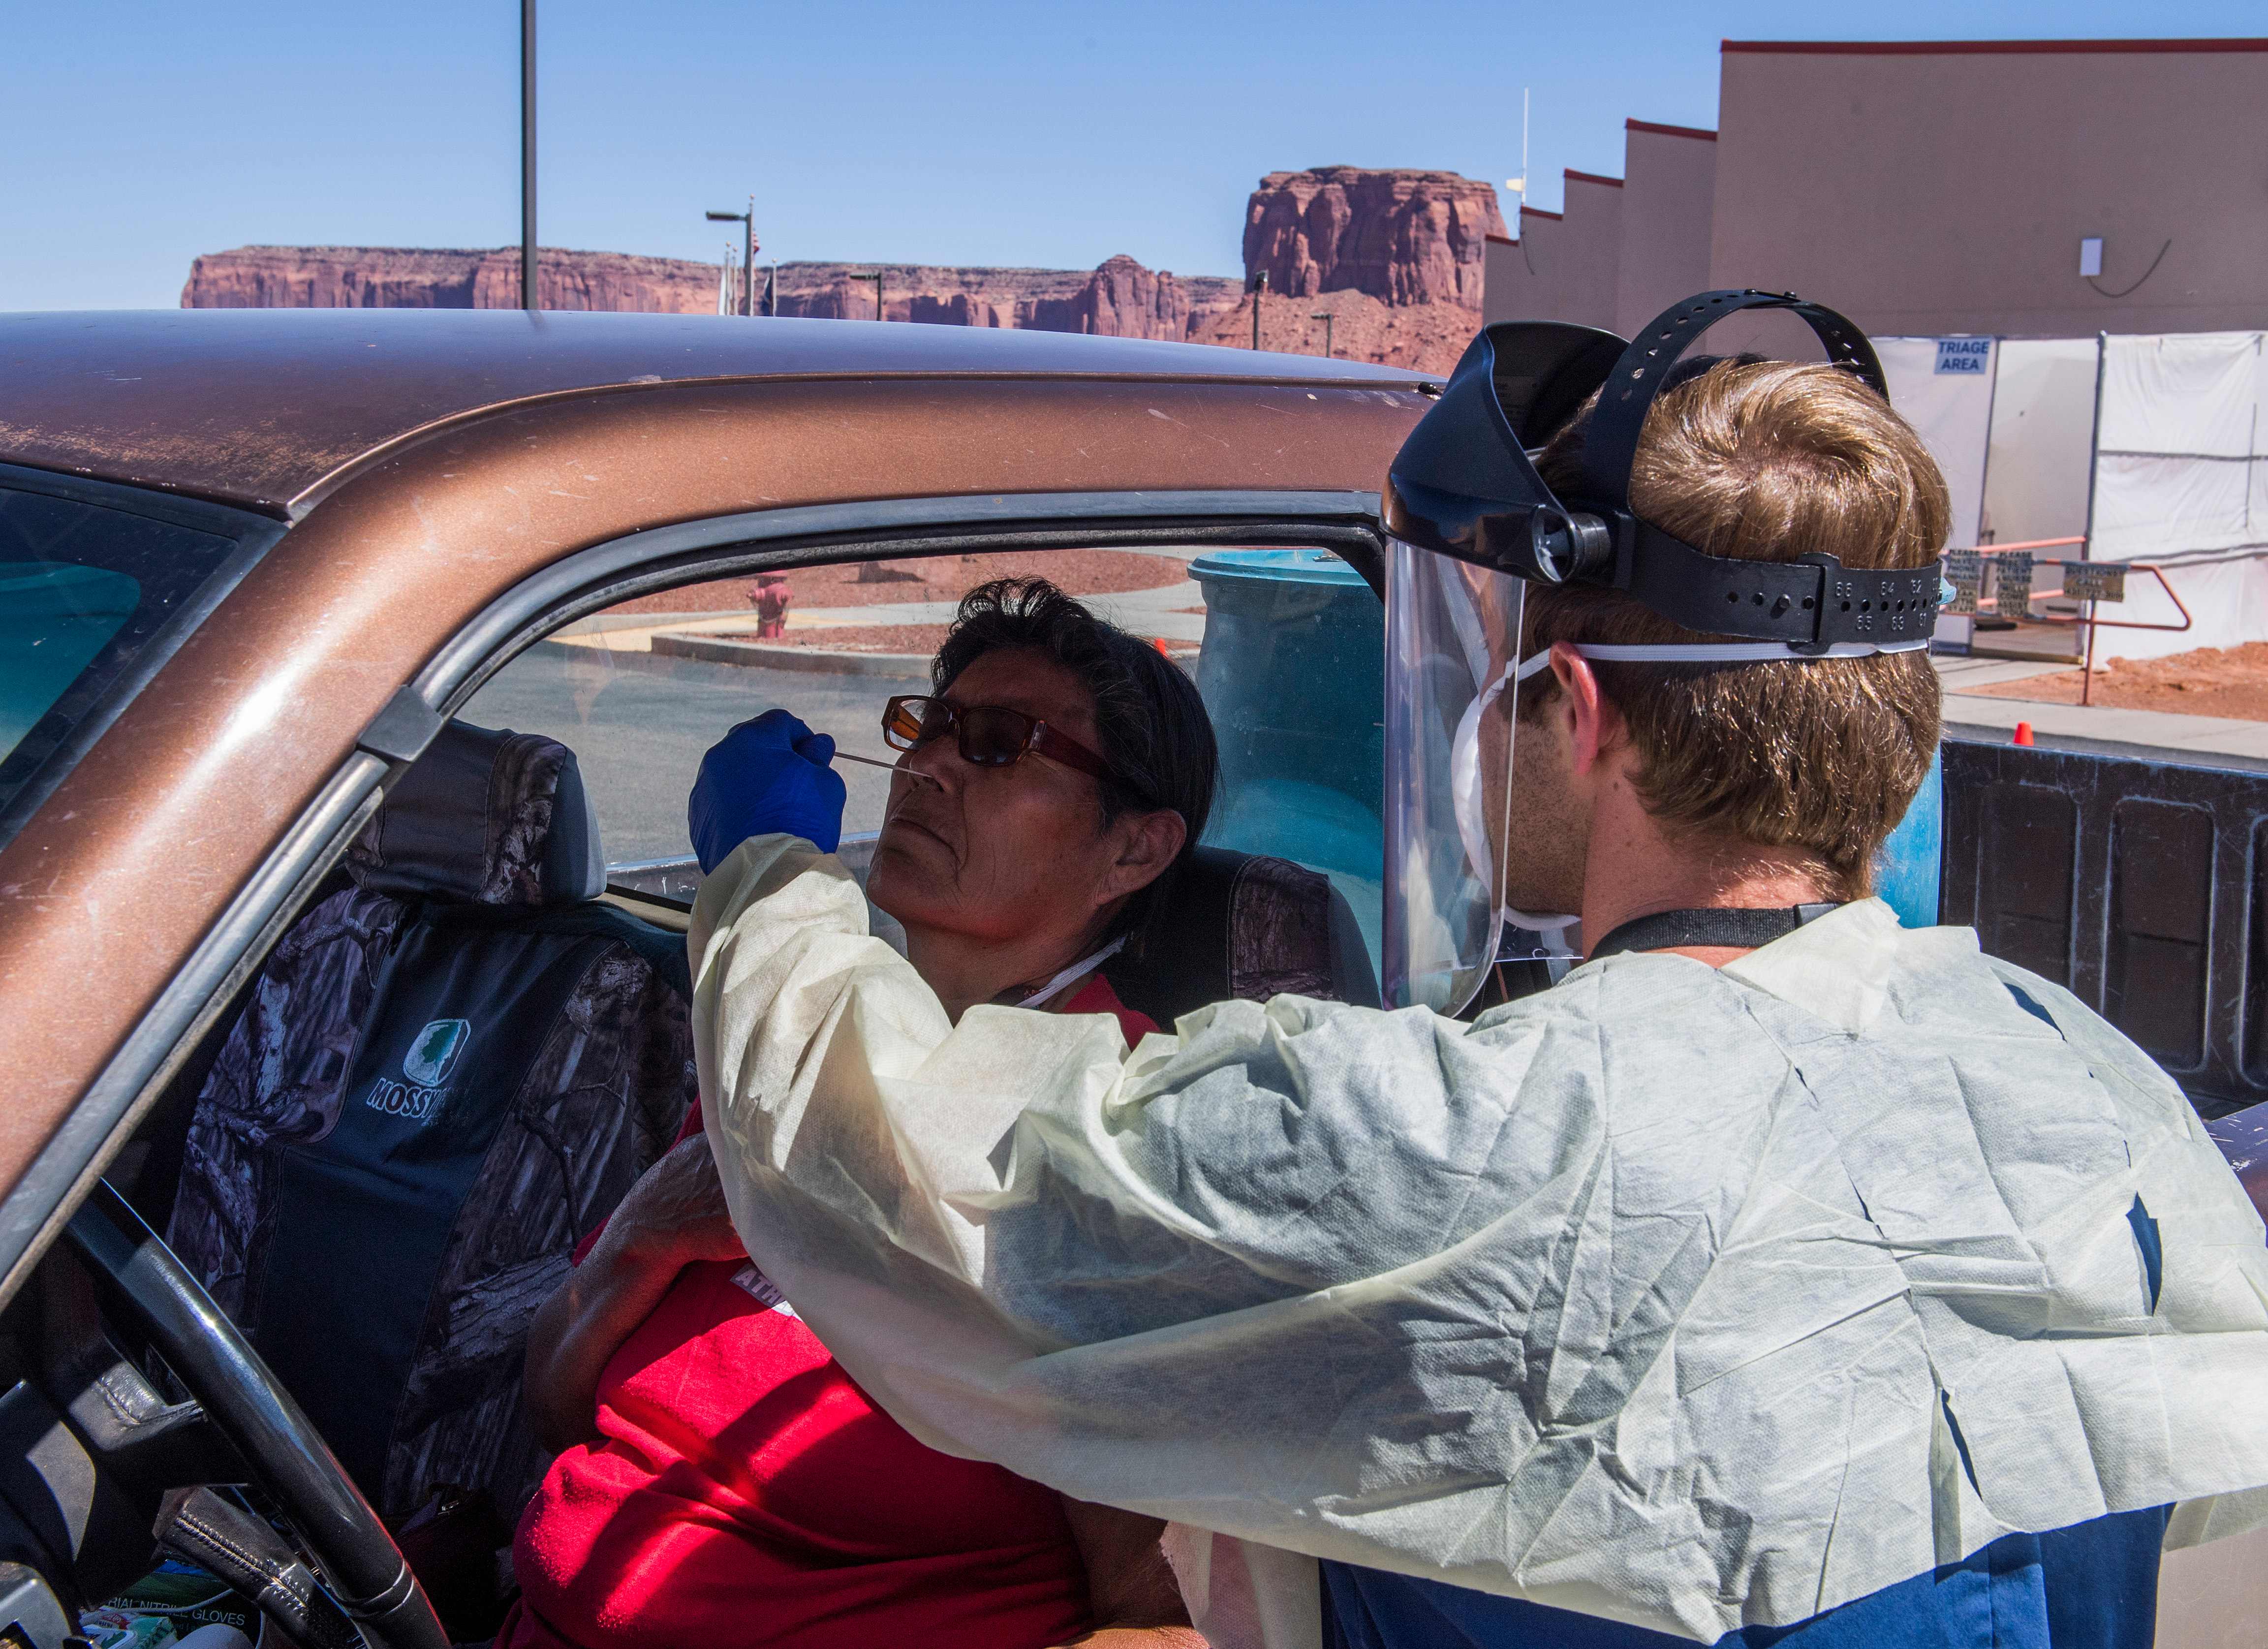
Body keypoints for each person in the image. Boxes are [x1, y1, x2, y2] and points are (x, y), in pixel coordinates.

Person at [678, 294, 2268, 1649]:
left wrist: (765, 875)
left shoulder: (1465, 1146)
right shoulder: (2092, 1091)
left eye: (1500, 680)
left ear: (1578, 714)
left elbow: (887, 1159)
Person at [500, 579, 1217, 1649]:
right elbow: (557, 1410)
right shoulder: (802, 1036)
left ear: (1135, 850)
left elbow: (1165, 1622)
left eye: (998, 745)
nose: (924, 765)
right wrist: (642, 1236)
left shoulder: (1112, 1140)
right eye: (930, 727)